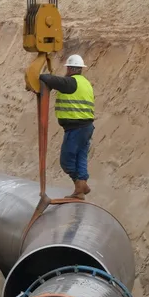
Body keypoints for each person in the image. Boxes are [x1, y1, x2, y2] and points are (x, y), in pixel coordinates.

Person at [39, 54, 95, 199]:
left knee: (67, 160)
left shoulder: (71, 83)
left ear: (70, 69)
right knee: (80, 157)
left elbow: (47, 79)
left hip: (76, 128)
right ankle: (80, 189)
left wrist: (37, 76)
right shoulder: (86, 83)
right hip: (87, 127)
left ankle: (79, 183)